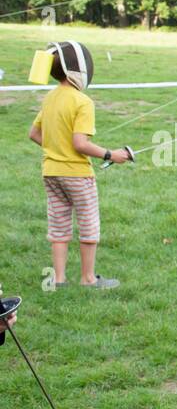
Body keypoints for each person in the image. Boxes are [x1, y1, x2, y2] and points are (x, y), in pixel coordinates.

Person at [27, 41, 129, 289]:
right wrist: (110, 155)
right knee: (88, 224)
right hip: (77, 175)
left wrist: (55, 149)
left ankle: (59, 279)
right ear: (80, 69)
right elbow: (80, 144)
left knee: (59, 225)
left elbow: (34, 133)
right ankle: (87, 279)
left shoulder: (50, 98)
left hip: (51, 173)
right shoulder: (82, 102)